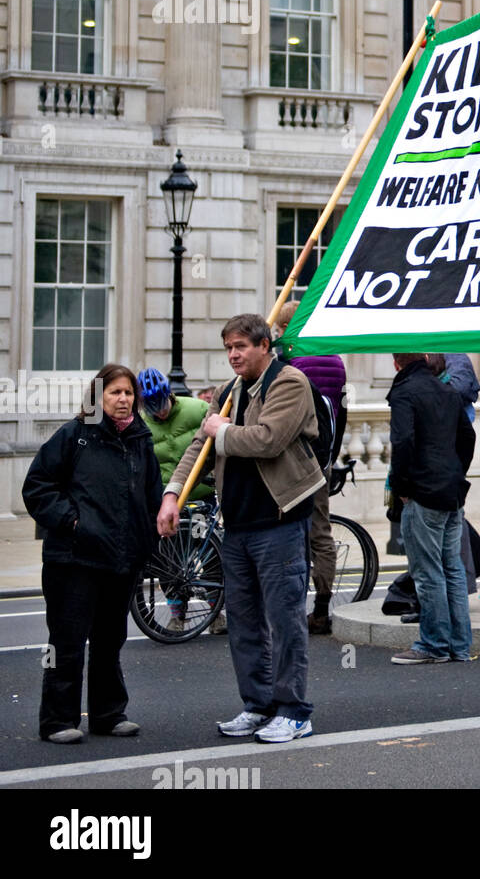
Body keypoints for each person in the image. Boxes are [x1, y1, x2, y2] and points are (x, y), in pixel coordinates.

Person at [160, 313, 323, 744]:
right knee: (244, 622)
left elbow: (268, 439)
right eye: (229, 347)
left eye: (242, 347)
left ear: (264, 345)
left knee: (285, 620)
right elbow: (201, 443)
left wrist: (223, 429)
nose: (233, 354)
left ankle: (294, 711)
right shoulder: (230, 391)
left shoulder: (289, 383)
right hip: (237, 525)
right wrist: (173, 493)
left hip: (280, 522)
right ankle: (258, 705)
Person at [23, 364, 162, 743]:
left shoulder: (140, 440)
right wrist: (72, 522)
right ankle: (56, 720)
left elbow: (151, 497)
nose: (123, 399)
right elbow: (37, 488)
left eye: (129, 393)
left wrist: (147, 541)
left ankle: (107, 714)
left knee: (109, 641)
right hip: (73, 560)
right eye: (115, 392)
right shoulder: (74, 435)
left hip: (121, 559)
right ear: (98, 396)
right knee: (64, 642)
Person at [386, 352, 475, 665]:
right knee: (452, 568)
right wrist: (455, 472)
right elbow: (468, 436)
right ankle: (459, 646)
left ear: (396, 363)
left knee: (427, 572)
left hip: (423, 493)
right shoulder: (447, 389)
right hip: (451, 491)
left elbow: (403, 442)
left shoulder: (404, 392)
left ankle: (433, 644)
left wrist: (402, 488)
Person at [274, 300, 348, 634]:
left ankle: (290, 605)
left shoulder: (290, 363)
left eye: (279, 328)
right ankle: (321, 608)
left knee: (288, 532)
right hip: (324, 457)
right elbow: (342, 412)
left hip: (294, 461)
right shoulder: (335, 359)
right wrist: (332, 454)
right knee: (321, 532)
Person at [137, 368, 216, 631]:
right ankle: (177, 616)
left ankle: (217, 615)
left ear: (169, 395)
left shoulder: (197, 409)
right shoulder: (142, 424)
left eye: (161, 404)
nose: (159, 412)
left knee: (212, 559)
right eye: (152, 407)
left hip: (201, 495)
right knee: (169, 562)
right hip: (167, 502)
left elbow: (214, 445)